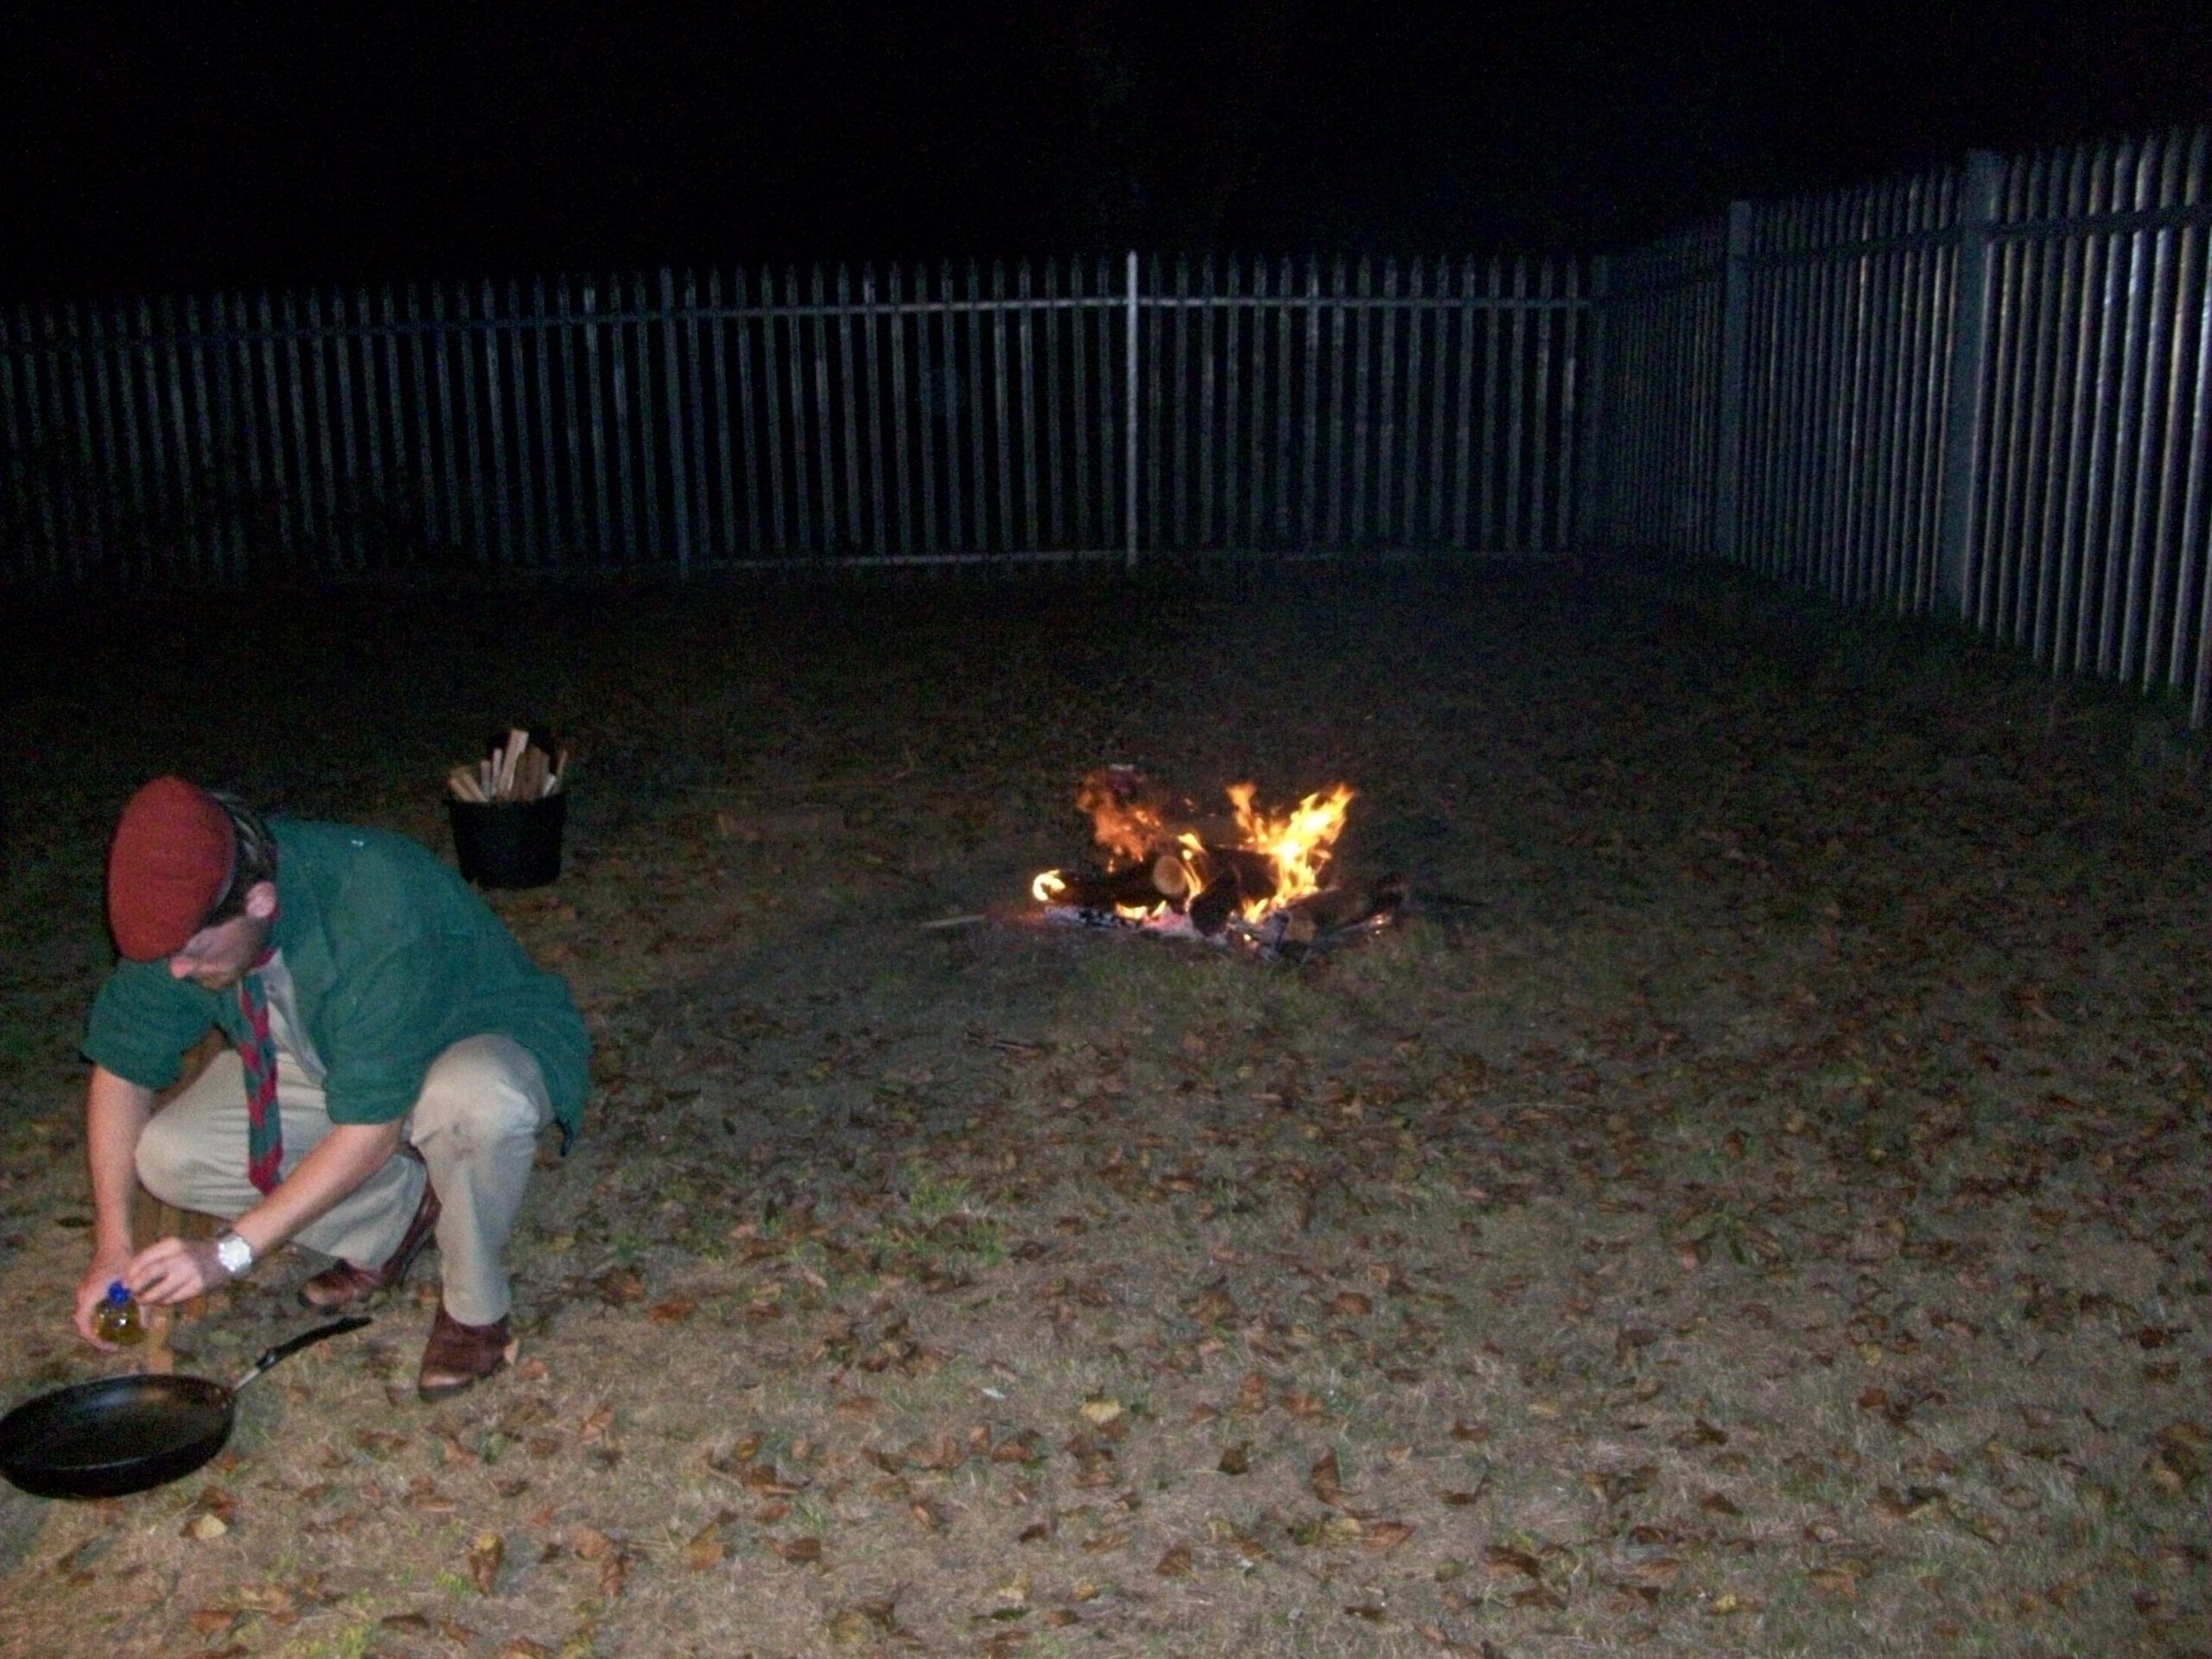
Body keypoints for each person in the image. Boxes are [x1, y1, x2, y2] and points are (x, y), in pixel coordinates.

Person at [73, 775, 589, 1400]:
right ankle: (396, 1219)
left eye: (194, 951)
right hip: (330, 1051)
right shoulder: (186, 911)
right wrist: (112, 1247)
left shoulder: (373, 903)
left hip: (469, 1036)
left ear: (259, 900)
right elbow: (122, 1069)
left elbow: (370, 1129)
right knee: (170, 1155)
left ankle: (474, 1309)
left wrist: (228, 1253)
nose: (178, 971)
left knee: (472, 1103)